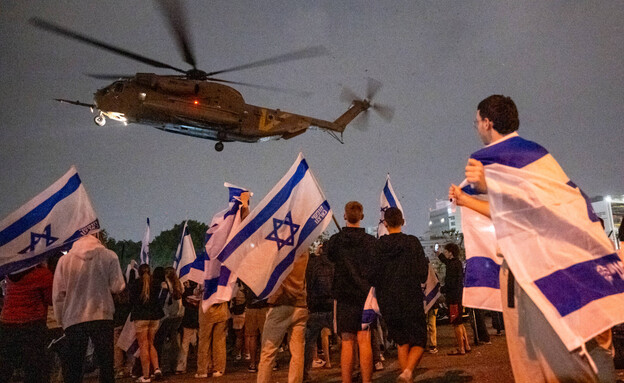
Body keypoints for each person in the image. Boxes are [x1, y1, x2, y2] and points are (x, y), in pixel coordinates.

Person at [449, 94, 616, 382]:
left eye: (476, 122)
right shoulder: (522, 159)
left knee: (561, 358)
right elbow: (511, 212)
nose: (476, 128)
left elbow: (542, 205)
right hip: (523, 270)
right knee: (533, 360)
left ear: (487, 122)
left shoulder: (525, 156)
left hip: (543, 268)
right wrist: (465, 200)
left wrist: (490, 183)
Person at [53, 233, 126, 383]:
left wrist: (61, 321)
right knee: (106, 364)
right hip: (101, 314)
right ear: (97, 234)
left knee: (74, 366)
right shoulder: (109, 256)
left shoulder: (64, 261)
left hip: (74, 318)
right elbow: (117, 286)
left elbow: (58, 295)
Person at [372, 207, 429, 382]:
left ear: (386, 224)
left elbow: (373, 274)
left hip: (388, 301)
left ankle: (406, 376)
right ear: (402, 222)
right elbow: (422, 272)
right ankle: (408, 371)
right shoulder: (412, 243)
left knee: (402, 341)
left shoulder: (379, 246)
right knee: (419, 341)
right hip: (410, 297)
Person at [326, 201, 376, 383]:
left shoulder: (336, 241)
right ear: (362, 216)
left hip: (344, 297)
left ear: (345, 216)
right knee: (365, 340)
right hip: (366, 298)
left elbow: (329, 255)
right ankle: (367, 380)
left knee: (347, 342)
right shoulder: (371, 242)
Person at [256, 250, 309, 383]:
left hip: (280, 303)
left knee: (268, 352)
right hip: (300, 303)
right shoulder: (304, 250)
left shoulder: (281, 251)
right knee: (297, 354)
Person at [0, 264, 54, 383]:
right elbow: (51, 299)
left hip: (7, 323)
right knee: (35, 369)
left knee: (4, 368)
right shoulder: (42, 274)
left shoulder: (10, 273)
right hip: (31, 324)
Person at [303, 241, 334, 381]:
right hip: (331, 307)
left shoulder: (312, 264)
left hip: (315, 307)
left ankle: (305, 373)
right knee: (345, 339)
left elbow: (308, 283)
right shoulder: (335, 264)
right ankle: (353, 367)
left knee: (310, 342)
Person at [129, 264, 165, 383]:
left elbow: (131, 300)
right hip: (154, 317)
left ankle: (145, 375)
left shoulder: (135, 284)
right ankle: (156, 369)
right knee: (151, 343)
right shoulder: (155, 284)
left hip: (141, 317)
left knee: (143, 345)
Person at [438, 243, 471, 355]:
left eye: (446, 251)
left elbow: (450, 283)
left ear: (450, 252)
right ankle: (466, 345)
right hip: (459, 296)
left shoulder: (452, 266)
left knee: (456, 323)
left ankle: (461, 348)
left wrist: (441, 289)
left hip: (453, 298)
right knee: (460, 322)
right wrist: (439, 255)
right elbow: (447, 262)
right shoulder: (457, 263)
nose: (445, 253)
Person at [154, 267, 184, 374]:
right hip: (179, 314)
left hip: (167, 315)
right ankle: (175, 365)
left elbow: (162, 300)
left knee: (162, 341)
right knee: (175, 339)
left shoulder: (165, 284)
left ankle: (163, 365)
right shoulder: (179, 283)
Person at [195, 300, 229, 378]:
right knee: (219, 341)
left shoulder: (205, 286)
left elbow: (198, 292)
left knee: (204, 341)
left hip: (206, 313)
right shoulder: (224, 287)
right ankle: (218, 369)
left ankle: (203, 369)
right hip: (222, 312)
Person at [175, 281, 200, 374]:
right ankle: (204, 364)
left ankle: (181, 366)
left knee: (185, 343)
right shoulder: (201, 290)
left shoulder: (185, 292)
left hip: (189, 318)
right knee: (201, 342)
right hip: (197, 317)